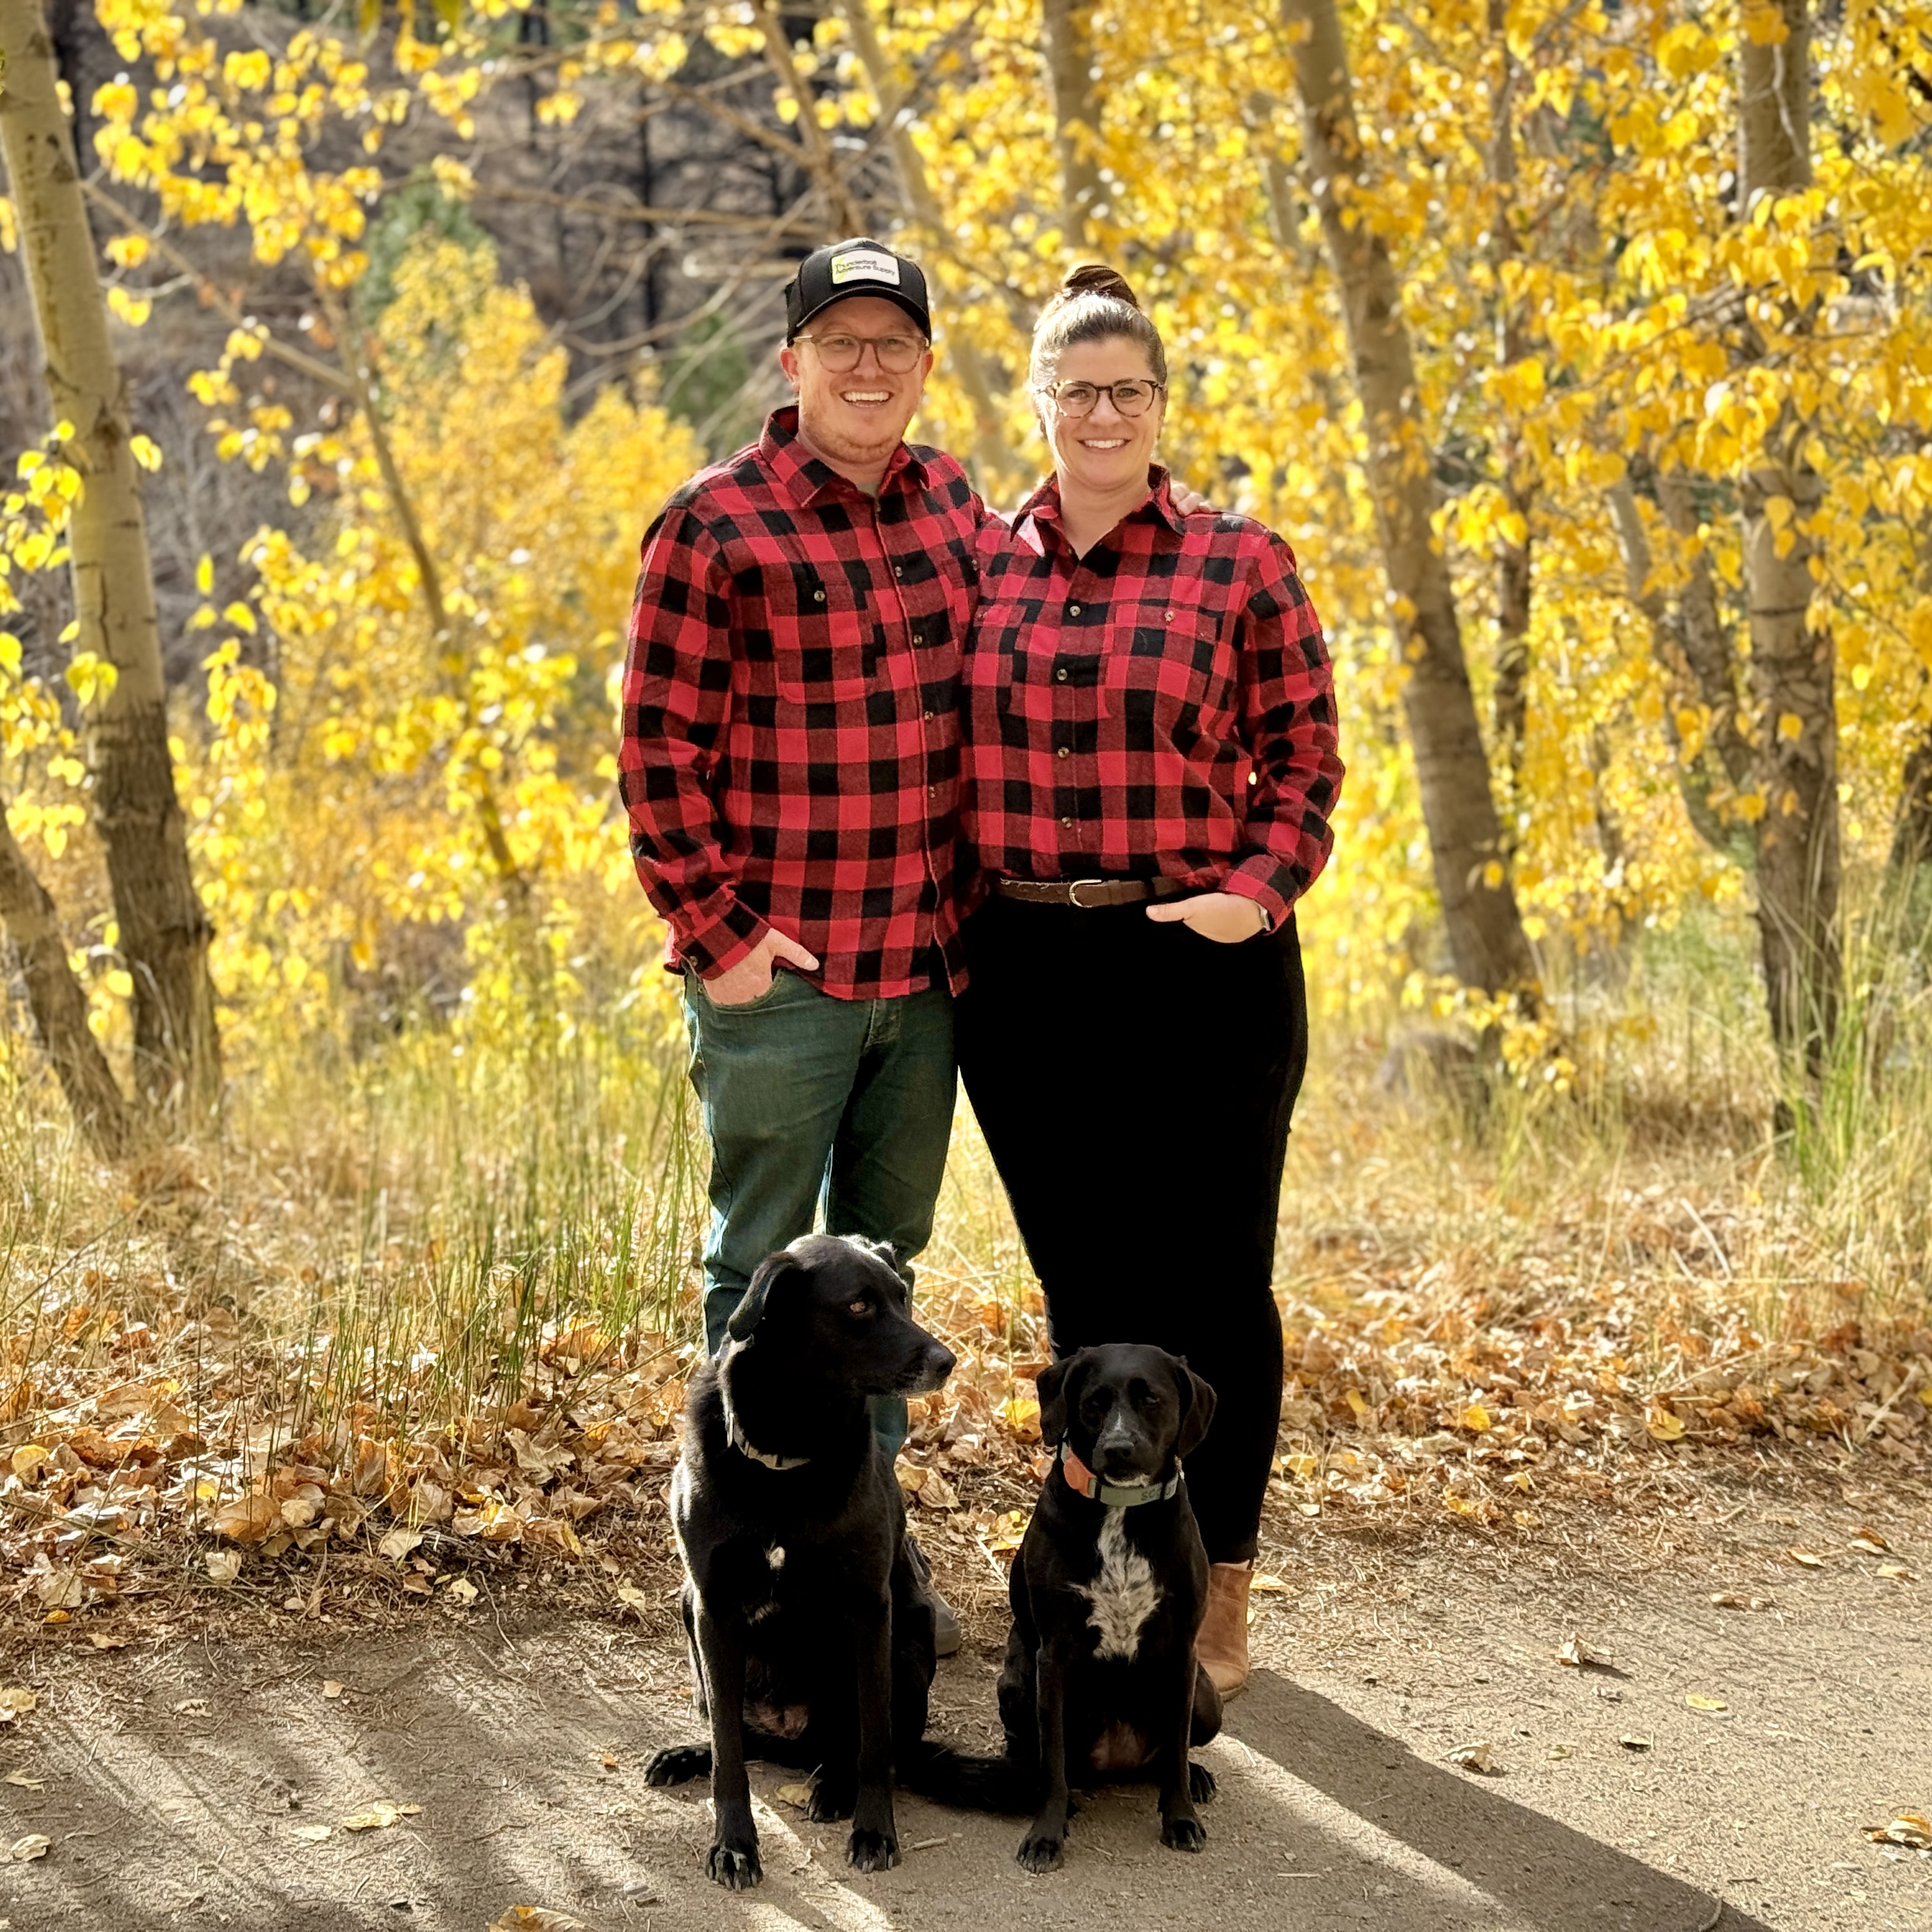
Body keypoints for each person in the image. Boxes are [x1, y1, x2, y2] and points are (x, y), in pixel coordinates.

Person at [954, 266, 1345, 1696]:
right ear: (1039, 403)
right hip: (1028, 974)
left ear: (1160, 405)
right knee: (1086, 1296)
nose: (1103, 412)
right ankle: (1104, 1579)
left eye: (1129, 389)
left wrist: (1253, 895)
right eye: (1078, 389)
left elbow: (1306, 759)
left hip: (1201, 961)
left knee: (1214, 1289)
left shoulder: (1242, 561)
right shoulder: (978, 560)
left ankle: (1218, 1586)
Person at [617, 238, 977, 1650]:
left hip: (931, 972)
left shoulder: (954, 498)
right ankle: (737, 1580)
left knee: (886, 1283)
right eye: (843, 342)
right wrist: (720, 941)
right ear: (794, 362)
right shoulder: (714, 525)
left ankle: (865, 1565)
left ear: (926, 364)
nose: (870, 365)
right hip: (783, 979)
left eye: (895, 342)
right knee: (759, 1271)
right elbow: (657, 754)